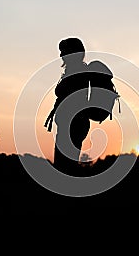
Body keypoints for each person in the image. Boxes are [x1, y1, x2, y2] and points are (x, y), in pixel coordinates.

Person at [45, 38, 90, 175]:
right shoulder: (73, 71)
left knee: (65, 169)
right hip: (70, 124)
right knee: (65, 167)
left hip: (73, 124)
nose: (61, 55)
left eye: (64, 51)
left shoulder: (78, 72)